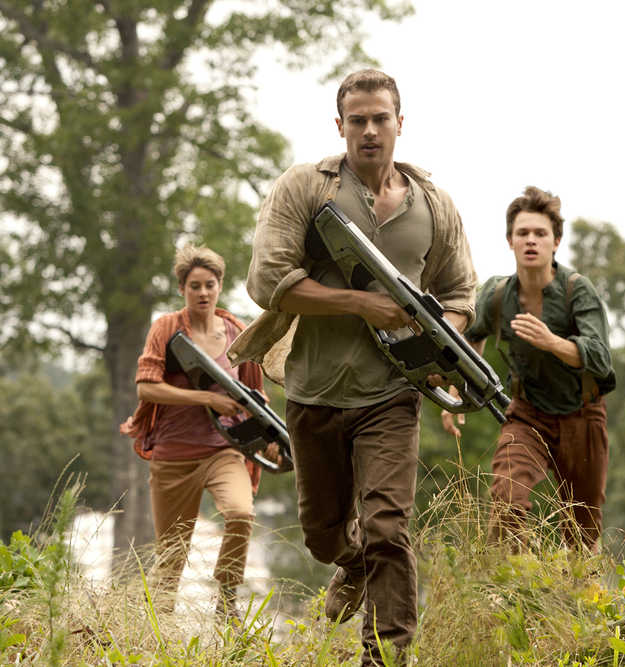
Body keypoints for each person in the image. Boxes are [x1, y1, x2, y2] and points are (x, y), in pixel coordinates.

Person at [229, 69, 477, 665]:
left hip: (392, 394)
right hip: (314, 390)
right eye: (358, 121)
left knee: (389, 528)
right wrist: (362, 303)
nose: (370, 131)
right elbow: (269, 281)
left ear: (400, 124)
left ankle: (385, 656)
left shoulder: (433, 206)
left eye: (380, 119)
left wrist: (444, 348)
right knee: (321, 536)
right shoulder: (304, 188)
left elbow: (461, 295)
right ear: (340, 127)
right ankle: (351, 562)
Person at [442, 186, 615, 553]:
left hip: (581, 415)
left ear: (556, 242)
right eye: (523, 233)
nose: (531, 241)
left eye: (540, 233)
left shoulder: (577, 291)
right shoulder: (498, 293)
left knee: (583, 532)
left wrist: (552, 342)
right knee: (506, 501)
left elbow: (600, 359)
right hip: (528, 415)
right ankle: (512, 586)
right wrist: (455, 391)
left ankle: (580, 597)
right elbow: (471, 339)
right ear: (510, 241)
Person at [120, 244, 269, 621]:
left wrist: (269, 437)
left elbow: (256, 394)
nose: (203, 293)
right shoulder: (167, 329)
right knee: (170, 557)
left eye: (210, 285)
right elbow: (147, 387)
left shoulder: (238, 332)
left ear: (220, 287)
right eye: (194, 286)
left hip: (224, 451)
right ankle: (156, 639)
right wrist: (205, 397)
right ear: (182, 290)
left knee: (240, 513)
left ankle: (226, 600)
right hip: (174, 456)